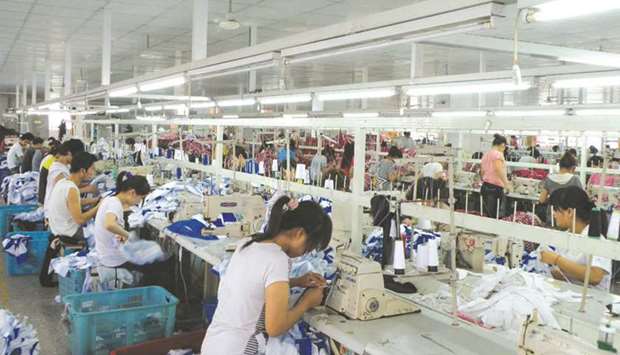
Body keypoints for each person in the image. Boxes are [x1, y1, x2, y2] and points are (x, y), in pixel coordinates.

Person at [201, 196, 332, 354]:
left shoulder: (249, 243)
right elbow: (275, 327)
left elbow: (255, 283)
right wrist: (306, 303)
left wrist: (296, 281)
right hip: (239, 349)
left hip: (214, 343)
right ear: (299, 233)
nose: (306, 253)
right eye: (308, 247)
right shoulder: (278, 259)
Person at [539, 186, 611, 290]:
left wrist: (556, 260)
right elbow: (567, 273)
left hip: (593, 301)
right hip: (571, 294)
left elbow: (595, 277)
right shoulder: (566, 236)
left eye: (555, 209)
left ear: (569, 212)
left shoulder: (597, 240)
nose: (553, 214)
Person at [47, 152, 100, 243]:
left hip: (58, 228)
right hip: (69, 232)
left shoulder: (63, 182)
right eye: (92, 169)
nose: (93, 172)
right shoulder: (71, 189)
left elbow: (71, 203)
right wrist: (98, 207)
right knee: (104, 232)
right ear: (83, 171)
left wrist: (95, 200)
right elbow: (80, 219)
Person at [480, 134, 511, 218]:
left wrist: (484, 179)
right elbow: (498, 170)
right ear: (502, 145)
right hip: (494, 188)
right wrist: (506, 184)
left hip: (485, 186)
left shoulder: (486, 154)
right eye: (504, 147)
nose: (504, 150)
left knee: (487, 213)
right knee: (493, 215)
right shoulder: (498, 154)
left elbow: (482, 171)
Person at [37, 140, 60, 205]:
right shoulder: (52, 160)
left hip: (43, 191)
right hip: (44, 193)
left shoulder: (49, 157)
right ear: (58, 154)